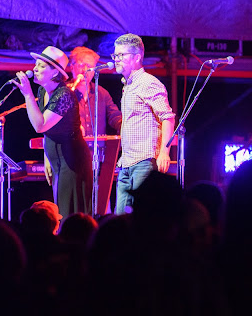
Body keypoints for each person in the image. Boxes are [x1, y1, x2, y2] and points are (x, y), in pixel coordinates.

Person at [12, 46, 93, 217]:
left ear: (55, 72)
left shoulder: (64, 95)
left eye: (41, 66)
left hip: (71, 158)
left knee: (68, 211)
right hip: (55, 156)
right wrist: (46, 157)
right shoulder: (43, 91)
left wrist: (27, 95)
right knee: (60, 206)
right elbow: (47, 130)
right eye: (36, 64)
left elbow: (39, 125)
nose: (34, 68)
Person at [113, 34, 176, 215]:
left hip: (144, 161)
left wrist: (164, 152)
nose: (116, 60)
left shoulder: (148, 83)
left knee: (142, 215)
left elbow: (168, 118)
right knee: (121, 217)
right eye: (115, 55)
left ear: (137, 57)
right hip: (126, 162)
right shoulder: (127, 84)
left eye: (121, 55)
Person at [67, 46, 122, 136]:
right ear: (72, 67)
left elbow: (114, 116)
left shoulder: (102, 93)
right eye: (81, 65)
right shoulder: (64, 92)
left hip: (97, 148)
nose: (85, 70)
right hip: (72, 147)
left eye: (89, 66)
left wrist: (123, 124)